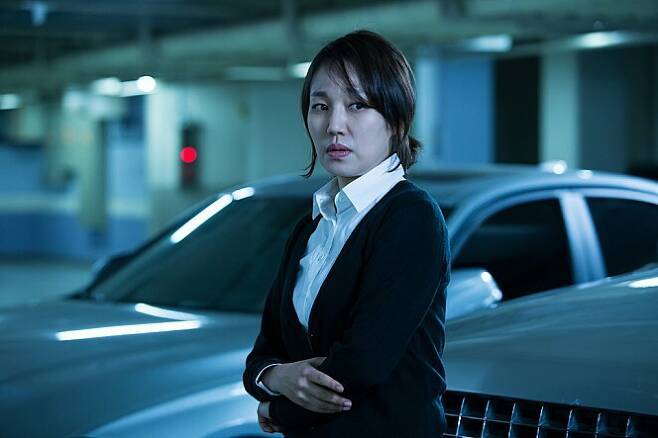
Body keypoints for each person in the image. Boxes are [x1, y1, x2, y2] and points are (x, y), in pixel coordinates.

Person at [242, 29, 450, 437]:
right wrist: (274, 376)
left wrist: (274, 408)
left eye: (357, 105)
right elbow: (262, 354)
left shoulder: (412, 217)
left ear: (396, 119)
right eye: (321, 106)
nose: (334, 125)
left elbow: (361, 367)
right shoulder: (312, 226)